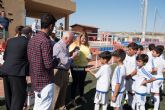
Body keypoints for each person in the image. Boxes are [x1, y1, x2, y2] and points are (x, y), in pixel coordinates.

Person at [27, 13, 56, 110]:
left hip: (35, 80)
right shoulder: (46, 41)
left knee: (38, 106)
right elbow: (48, 64)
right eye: (53, 27)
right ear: (51, 26)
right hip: (45, 82)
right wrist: (57, 60)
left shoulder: (32, 39)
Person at [0, 26, 32, 110]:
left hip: (6, 71)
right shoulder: (28, 42)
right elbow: (30, 59)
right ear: (29, 34)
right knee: (18, 99)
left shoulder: (10, 41)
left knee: (9, 99)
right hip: (17, 73)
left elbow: (5, 57)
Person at [52, 31, 78, 110]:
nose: (72, 41)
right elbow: (65, 61)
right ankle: (53, 108)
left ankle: (62, 107)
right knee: (56, 93)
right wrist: (73, 56)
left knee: (63, 92)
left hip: (64, 71)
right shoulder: (58, 46)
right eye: (71, 39)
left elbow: (67, 62)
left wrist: (72, 63)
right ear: (66, 38)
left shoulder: (66, 46)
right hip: (59, 72)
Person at [69, 32, 92, 106]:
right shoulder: (74, 44)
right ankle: (73, 99)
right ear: (80, 37)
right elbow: (69, 54)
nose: (84, 40)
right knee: (75, 83)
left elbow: (88, 57)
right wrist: (74, 52)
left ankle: (81, 96)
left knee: (82, 83)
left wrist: (90, 57)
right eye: (83, 38)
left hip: (84, 67)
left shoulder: (87, 46)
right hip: (75, 67)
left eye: (85, 38)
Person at [150, 46, 165, 110]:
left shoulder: (153, 60)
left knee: (156, 94)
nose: (152, 53)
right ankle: (153, 103)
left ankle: (155, 108)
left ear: (158, 53)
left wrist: (150, 70)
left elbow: (154, 69)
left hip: (155, 78)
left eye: (153, 52)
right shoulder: (163, 60)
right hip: (161, 78)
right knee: (155, 93)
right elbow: (164, 70)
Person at [124, 42, 138, 109]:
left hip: (133, 79)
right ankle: (129, 106)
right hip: (127, 78)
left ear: (135, 51)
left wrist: (129, 76)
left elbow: (136, 70)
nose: (128, 51)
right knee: (129, 92)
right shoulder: (126, 57)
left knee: (133, 93)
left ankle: (133, 107)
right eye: (128, 49)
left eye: (130, 49)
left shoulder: (136, 58)